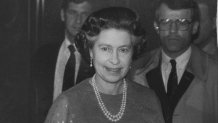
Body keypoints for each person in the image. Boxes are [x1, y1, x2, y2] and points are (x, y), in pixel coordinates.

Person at [44, 7, 164, 123]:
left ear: (133, 53)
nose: (115, 60)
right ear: (91, 51)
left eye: (123, 50)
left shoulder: (149, 99)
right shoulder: (67, 104)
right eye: (105, 49)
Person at [128, 0, 218, 123]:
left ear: (195, 27)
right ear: (156, 26)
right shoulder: (136, 70)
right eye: (166, 22)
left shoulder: (214, 72)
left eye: (182, 22)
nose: (173, 30)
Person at [31, 0, 95, 122]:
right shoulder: (42, 55)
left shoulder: (98, 59)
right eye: (73, 12)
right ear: (62, 15)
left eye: (84, 14)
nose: (78, 20)